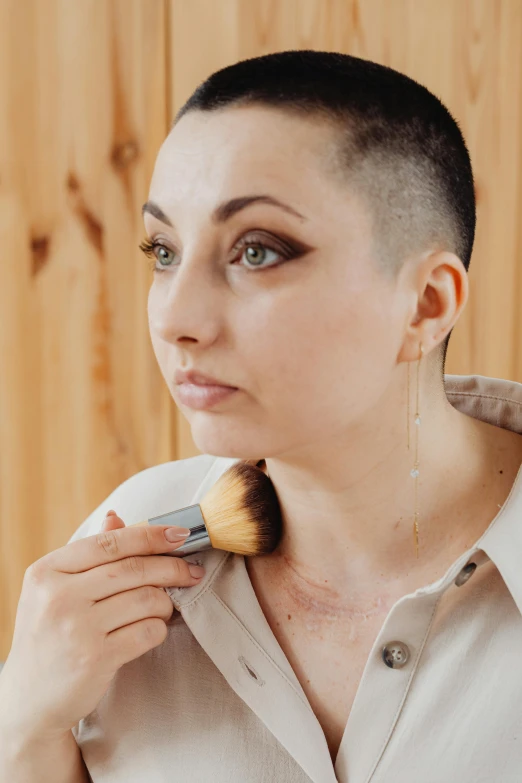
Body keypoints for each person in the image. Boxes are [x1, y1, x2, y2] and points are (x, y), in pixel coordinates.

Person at [7, 50, 522, 782]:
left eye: (257, 251)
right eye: (164, 251)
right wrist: (27, 724)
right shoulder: (125, 547)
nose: (177, 317)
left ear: (426, 303)